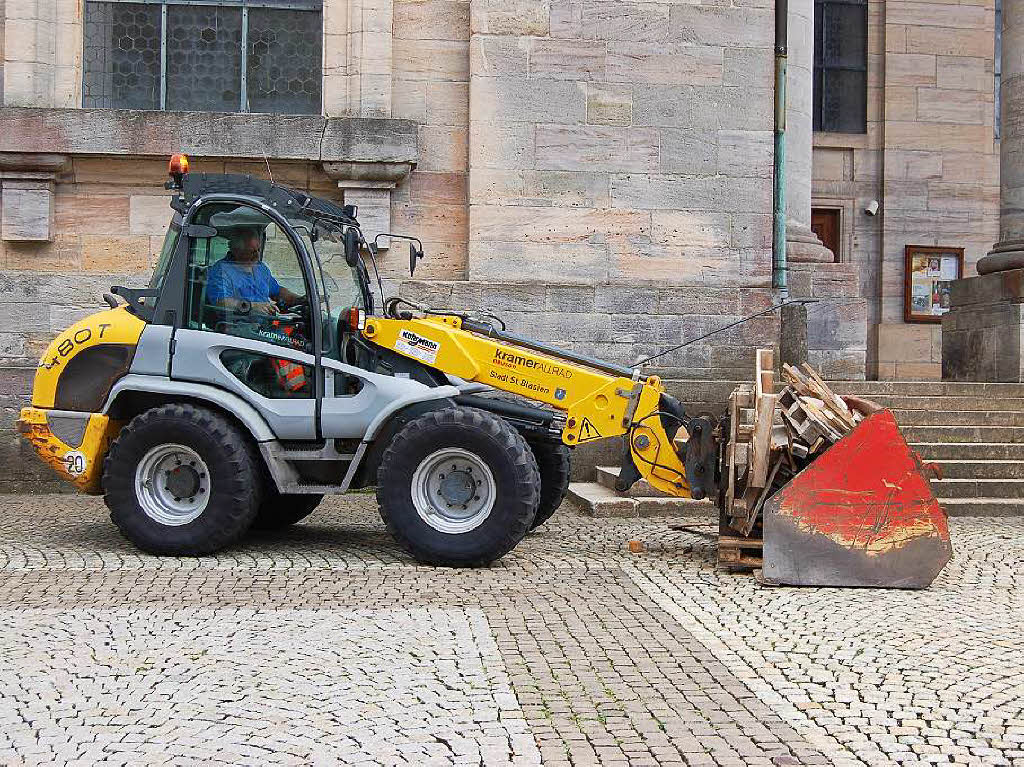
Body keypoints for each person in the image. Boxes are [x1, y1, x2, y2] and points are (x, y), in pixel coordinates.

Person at [206, 226, 303, 315]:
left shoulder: (261, 268)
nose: (257, 255)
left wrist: (300, 299)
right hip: (237, 326)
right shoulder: (221, 270)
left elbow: (277, 292)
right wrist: (252, 306)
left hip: (266, 324)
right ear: (237, 251)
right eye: (251, 252)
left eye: (258, 250)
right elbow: (222, 303)